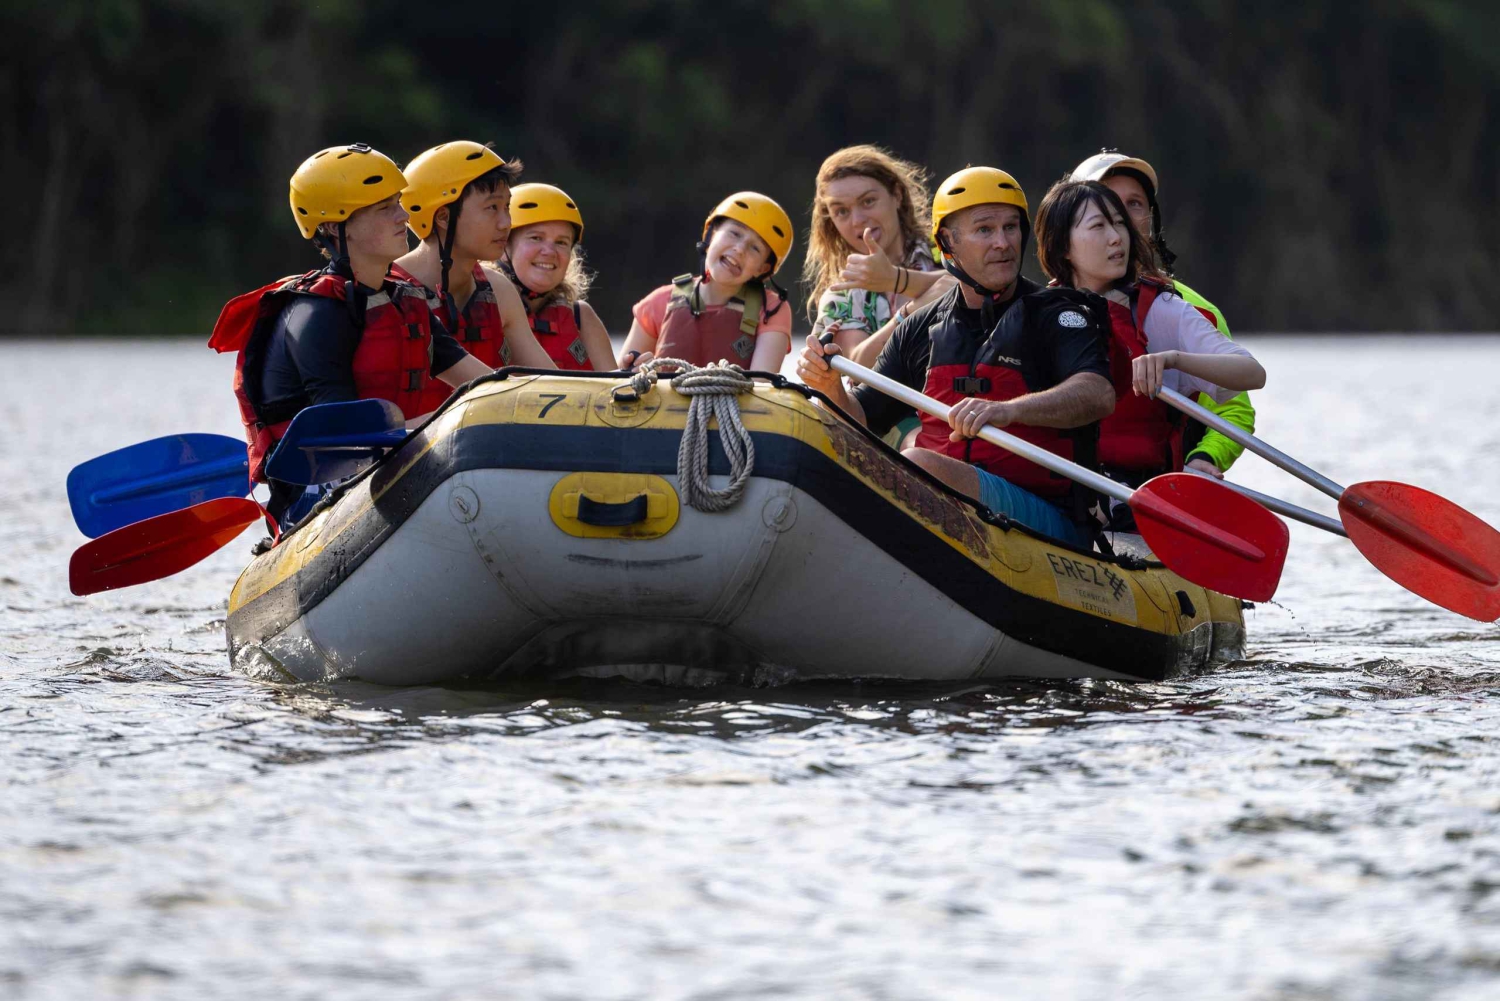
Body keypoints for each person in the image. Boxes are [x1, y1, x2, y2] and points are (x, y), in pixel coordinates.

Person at [796, 167, 1115, 547]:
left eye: (1011, 227)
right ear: (947, 241)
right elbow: (862, 419)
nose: (1003, 243)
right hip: (952, 509)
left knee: (919, 461)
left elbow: (1098, 392)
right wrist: (829, 386)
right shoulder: (919, 330)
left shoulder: (1057, 314)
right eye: (984, 230)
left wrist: (1008, 410)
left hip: (1047, 517)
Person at [208, 143, 496, 527]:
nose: (403, 215)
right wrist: (454, 420)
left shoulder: (403, 300)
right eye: (384, 209)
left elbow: (483, 383)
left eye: (398, 202)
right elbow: (345, 438)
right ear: (333, 228)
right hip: (318, 499)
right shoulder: (316, 314)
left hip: (389, 472)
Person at [1031, 178, 1264, 519]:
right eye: (1099, 226)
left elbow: (1252, 374)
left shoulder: (1162, 309)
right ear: (1062, 245)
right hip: (1055, 490)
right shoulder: (1036, 311)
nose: (1117, 237)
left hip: (1135, 499)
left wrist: (1175, 360)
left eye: (1120, 223)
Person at [1071, 150, 1255, 479]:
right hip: (1073, 480)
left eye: (1134, 204)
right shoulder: (1050, 306)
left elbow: (1233, 407)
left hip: (1159, 483)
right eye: (1107, 206)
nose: (1121, 218)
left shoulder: (1191, 309)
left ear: (1151, 219)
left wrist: (1207, 457)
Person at [392, 140, 556, 414]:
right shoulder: (387, 292)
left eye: (507, 208)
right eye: (492, 208)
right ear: (443, 217)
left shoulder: (499, 290)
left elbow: (553, 386)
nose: (506, 223)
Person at [803, 145, 954, 361]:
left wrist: (896, 279)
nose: (857, 221)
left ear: (897, 194)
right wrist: (912, 311)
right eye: (841, 211)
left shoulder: (946, 244)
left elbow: (982, 282)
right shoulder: (842, 294)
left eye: (868, 201)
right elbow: (858, 364)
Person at [619, 192, 795, 371]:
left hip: (732, 400)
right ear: (711, 235)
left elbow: (762, 384)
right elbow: (621, 380)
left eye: (755, 248)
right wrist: (635, 370)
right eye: (734, 233)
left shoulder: (771, 310)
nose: (740, 249)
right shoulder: (658, 303)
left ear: (763, 269)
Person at [497, 183, 616, 370]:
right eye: (536, 238)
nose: (549, 251)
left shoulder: (582, 318)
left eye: (561, 242)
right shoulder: (480, 308)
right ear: (504, 247)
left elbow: (614, 388)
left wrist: (629, 373)